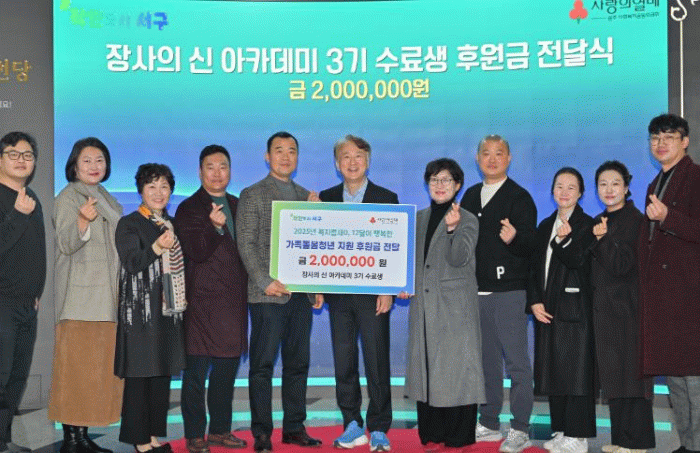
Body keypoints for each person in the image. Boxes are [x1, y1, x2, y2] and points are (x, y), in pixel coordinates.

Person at [236, 132, 322, 453]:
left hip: (300, 295)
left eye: (292, 151)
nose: (286, 156)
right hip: (267, 295)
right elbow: (246, 243)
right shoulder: (253, 194)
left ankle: (294, 428)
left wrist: (316, 286)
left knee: (298, 364)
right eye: (279, 150)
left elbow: (314, 247)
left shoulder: (306, 196)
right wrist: (264, 281)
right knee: (262, 366)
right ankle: (261, 433)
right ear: (267, 156)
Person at [315, 135, 397, 452]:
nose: (352, 162)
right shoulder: (325, 199)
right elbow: (318, 245)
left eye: (358, 156)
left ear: (368, 161)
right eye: (346, 156)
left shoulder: (386, 198)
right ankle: (352, 423)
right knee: (344, 362)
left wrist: (389, 289)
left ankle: (379, 427)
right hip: (338, 296)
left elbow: (394, 247)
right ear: (337, 164)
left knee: (377, 362)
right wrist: (316, 287)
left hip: (373, 295)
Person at [402, 158, 485, 451]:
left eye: (446, 180)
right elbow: (408, 260)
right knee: (428, 369)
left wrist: (451, 230)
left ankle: (458, 435)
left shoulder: (468, 219)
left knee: (456, 372)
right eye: (434, 180)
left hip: (455, 308)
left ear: (457, 185)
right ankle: (432, 433)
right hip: (424, 306)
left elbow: (458, 258)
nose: (439, 185)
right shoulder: (418, 218)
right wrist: (402, 284)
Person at [460, 134, 536, 453]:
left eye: (499, 153)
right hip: (476, 293)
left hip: (509, 292)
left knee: (517, 364)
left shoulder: (520, 197)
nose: (492, 159)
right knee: (486, 363)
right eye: (486, 153)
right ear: (477, 159)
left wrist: (515, 238)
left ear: (509, 158)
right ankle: (489, 423)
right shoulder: (469, 195)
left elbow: (531, 246)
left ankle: (520, 428)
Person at [49, 138, 124, 453]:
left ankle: (81, 437)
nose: (95, 166)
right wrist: (81, 221)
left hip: (107, 300)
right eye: (87, 160)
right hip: (80, 302)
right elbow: (66, 243)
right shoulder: (68, 197)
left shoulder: (105, 196)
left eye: (100, 160)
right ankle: (72, 439)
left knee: (94, 373)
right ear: (74, 165)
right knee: (76, 372)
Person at [174, 145, 248, 453]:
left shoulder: (239, 204)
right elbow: (196, 251)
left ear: (230, 171)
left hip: (232, 304)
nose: (217, 173)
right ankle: (194, 434)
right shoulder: (189, 208)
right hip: (201, 304)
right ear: (200, 171)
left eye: (223, 167)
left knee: (225, 373)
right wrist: (214, 228)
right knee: (195, 375)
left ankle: (219, 430)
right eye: (210, 167)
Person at [637, 113, 700, 453]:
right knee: (675, 374)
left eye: (669, 137)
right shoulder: (655, 183)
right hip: (663, 294)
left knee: (693, 375)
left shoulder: (696, 177)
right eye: (655, 138)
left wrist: (668, 217)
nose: (660, 144)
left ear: (684, 141)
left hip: (688, 292)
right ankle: (686, 443)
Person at [114, 163, 186, 453]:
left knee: (161, 376)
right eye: (152, 186)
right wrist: (157, 247)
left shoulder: (171, 223)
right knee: (140, 377)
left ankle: (154, 435)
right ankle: (140, 440)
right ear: (141, 191)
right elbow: (132, 262)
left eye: (164, 186)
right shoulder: (129, 223)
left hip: (168, 311)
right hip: (140, 313)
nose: (159, 192)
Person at [588, 161, 654, 453]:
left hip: (628, 310)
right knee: (614, 378)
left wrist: (603, 240)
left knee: (632, 380)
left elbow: (623, 265)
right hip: (604, 311)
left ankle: (637, 442)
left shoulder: (636, 221)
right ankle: (620, 439)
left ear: (626, 187)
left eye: (615, 183)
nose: (609, 189)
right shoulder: (599, 220)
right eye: (603, 184)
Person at [529, 168, 596, 453]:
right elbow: (533, 268)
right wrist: (534, 301)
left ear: (580, 193)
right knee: (554, 372)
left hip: (576, 311)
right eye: (559, 186)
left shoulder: (589, 225)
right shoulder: (545, 225)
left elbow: (578, 262)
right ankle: (561, 429)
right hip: (547, 309)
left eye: (571, 187)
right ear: (552, 191)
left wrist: (565, 240)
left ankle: (578, 436)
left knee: (577, 374)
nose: (564, 192)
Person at [0, 132, 45, 453]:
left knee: (17, 378)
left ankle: (3, 439)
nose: (21, 160)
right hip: (2, 303)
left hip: (27, 305)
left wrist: (36, 290)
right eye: (13, 154)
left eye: (28, 155)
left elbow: (34, 250)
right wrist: (16, 214)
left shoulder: (32, 197)